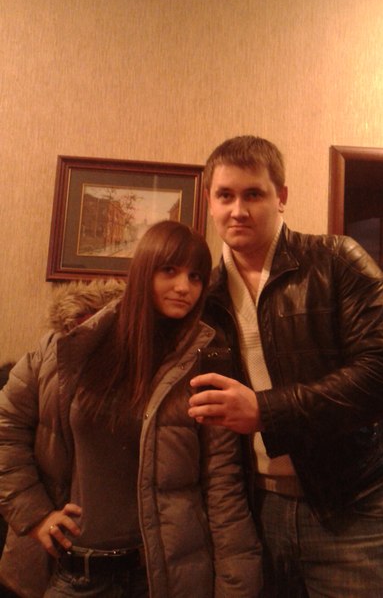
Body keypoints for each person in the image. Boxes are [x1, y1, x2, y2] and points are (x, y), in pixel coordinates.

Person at [188, 136, 383, 597]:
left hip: (351, 506)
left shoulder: (337, 261)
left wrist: (265, 411)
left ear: (281, 196)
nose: (238, 210)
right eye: (225, 195)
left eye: (253, 194)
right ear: (209, 201)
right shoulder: (204, 296)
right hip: (253, 512)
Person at [0, 220, 262, 598]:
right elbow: (6, 424)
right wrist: (35, 514)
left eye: (196, 277)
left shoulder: (203, 363)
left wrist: (236, 585)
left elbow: (222, 484)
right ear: (143, 272)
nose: (184, 287)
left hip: (159, 578)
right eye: (169, 270)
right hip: (73, 575)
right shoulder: (72, 346)